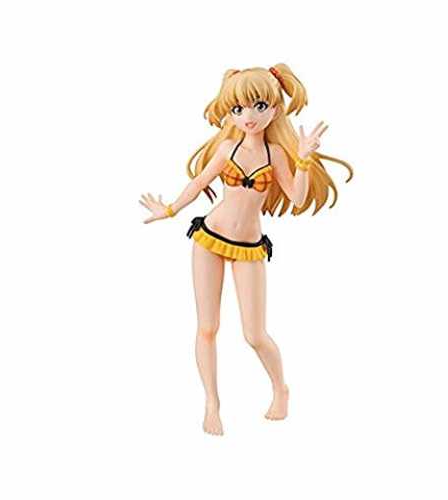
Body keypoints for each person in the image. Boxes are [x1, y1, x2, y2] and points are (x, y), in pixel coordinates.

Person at [139, 64, 353, 436]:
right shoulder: (227, 148)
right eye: (238, 109)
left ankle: (281, 388)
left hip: (249, 247)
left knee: (255, 334)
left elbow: (297, 197)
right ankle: (212, 404)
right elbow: (199, 182)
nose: (248, 117)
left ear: (275, 108)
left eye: (258, 106)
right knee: (207, 327)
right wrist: (169, 209)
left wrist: (304, 159)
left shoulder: (276, 154)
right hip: (209, 237)